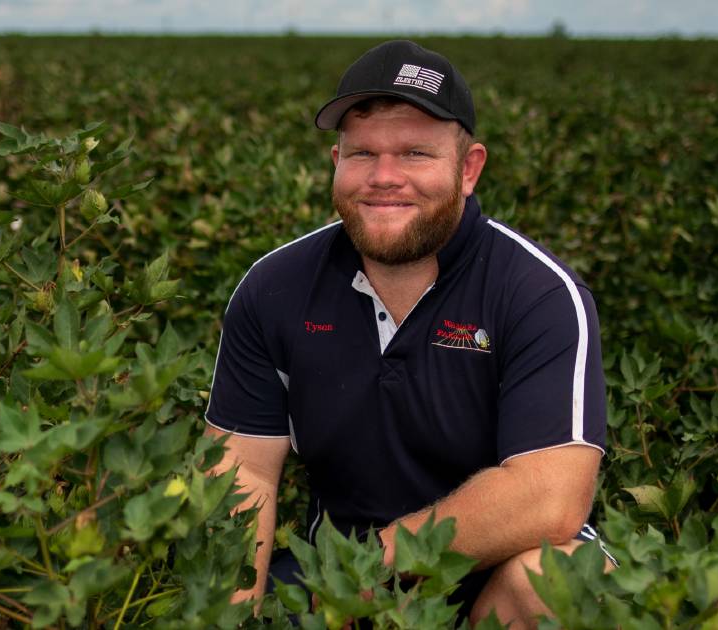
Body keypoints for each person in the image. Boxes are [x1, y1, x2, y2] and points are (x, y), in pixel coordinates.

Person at [204, 40, 613, 628]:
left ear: (468, 168)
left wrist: (369, 569)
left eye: (415, 153)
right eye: (362, 153)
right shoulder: (276, 285)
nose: (384, 177)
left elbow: (550, 499)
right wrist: (233, 617)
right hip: (331, 575)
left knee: (563, 580)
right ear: (335, 163)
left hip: (479, 576)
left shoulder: (537, 294)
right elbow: (244, 470)